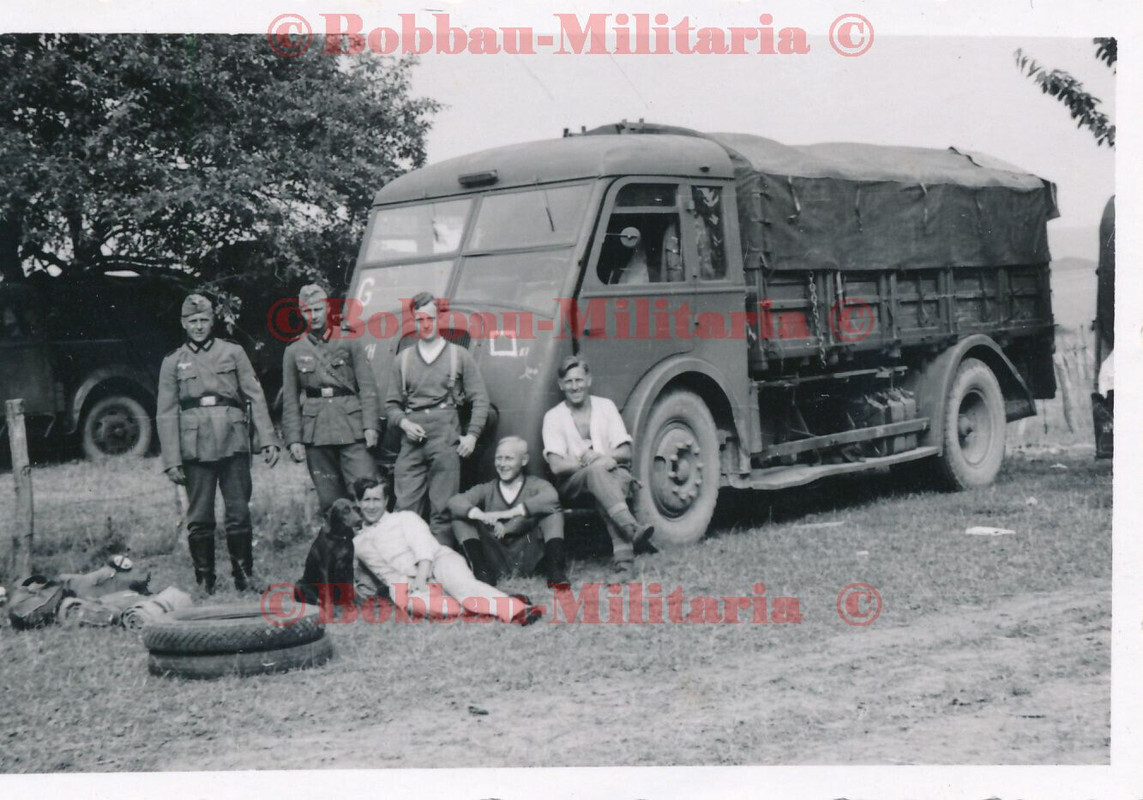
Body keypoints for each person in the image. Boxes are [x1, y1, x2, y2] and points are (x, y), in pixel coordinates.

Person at [157, 293, 280, 593]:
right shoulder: (173, 362)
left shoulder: (232, 352)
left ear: (213, 321)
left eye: (204, 320)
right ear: (183, 324)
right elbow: (166, 412)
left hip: (232, 439)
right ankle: (205, 580)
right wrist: (172, 460)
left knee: (239, 511)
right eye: (192, 321)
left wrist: (268, 439)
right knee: (199, 516)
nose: (198, 326)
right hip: (195, 445)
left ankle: (243, 576)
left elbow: (254, 394)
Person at [352, 478, 542, 626]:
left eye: (376, 499)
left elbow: (423, 545)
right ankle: (495, 598)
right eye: (366, 500)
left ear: (385, 501)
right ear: (358, 503)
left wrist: (421, 577)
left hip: (436, 562)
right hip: (404, 584)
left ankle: (517, 610)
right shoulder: (358, 543)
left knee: (460, 586)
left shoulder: (404, 518)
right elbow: (362, 575)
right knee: (423, 606)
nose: (371, 505)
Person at [383, 291, 489, 544]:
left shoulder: (458, 356)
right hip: (412, 441)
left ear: (440, 318)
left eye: (430, 318)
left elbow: (480, 399)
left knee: (443, 509)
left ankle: (440, 569)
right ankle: (407, 567)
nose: (426, 324)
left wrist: (472, 436)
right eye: (420, 319)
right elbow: (391, 405)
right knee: (405, 507)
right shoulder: (403, 359)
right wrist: (405, 423)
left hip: (446, 437)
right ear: (414, 321)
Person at [542, 355, 655, 573]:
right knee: (597, 474)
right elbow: (557, 466)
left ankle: (624, 564)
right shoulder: (553, 417)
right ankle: (631, 528)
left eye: (579, 380)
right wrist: (592, 463)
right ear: (561, 385)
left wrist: (601, 456)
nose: (575, 387)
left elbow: (625, 451)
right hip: (572, 484)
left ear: (588, 380)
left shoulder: (606, 407)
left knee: (606, 484)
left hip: (613, 474)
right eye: (569, 382)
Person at [282, 283, 380, 515]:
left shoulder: (349, 341)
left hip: (352, 427)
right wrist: (294, 439)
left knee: (367, 491)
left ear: (327, 308)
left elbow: (367, 387)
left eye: (317, 309)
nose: (313, 316)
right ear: (301, 312)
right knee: (330, 502)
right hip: (316, 432)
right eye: (307, 311)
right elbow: (290, 399)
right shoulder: (294, 350)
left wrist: (370, 426)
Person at [448, 436, 569, 587]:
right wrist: (481, 515)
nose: (502, 464)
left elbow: (552, 497)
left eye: (509, 459)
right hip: (496, 558)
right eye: (499, 459)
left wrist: (507, 516)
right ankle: (481, 572)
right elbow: (454, 502)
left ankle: (555, 572)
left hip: (528, 557)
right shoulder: (487, 489)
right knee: (460, 517)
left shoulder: (537, 485)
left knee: (553, 512)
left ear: (524, 460)